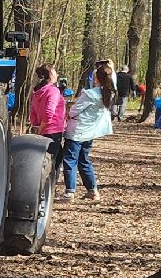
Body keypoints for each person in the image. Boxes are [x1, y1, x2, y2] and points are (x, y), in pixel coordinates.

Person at [63, 64, 116, 203]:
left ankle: (70, 191)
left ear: (97, 78)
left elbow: (75, 110)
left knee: (70, 160)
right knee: (84, 160)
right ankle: (92, 190)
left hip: (77, 132)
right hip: (90, 133)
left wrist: (69, 111)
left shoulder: (90, 94)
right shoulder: (108, 94)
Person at [27, 64, 66, 170]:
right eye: (54, 71)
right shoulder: (53, 91)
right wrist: (42, 126)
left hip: (43, 130)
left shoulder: (37, 92)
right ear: (50, 74)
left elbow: (33, 112)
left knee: (55, 155)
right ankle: (48, 183)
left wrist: (37, 126)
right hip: (53, 130)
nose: (56, 74)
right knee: (52, 161)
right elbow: (49, 111)